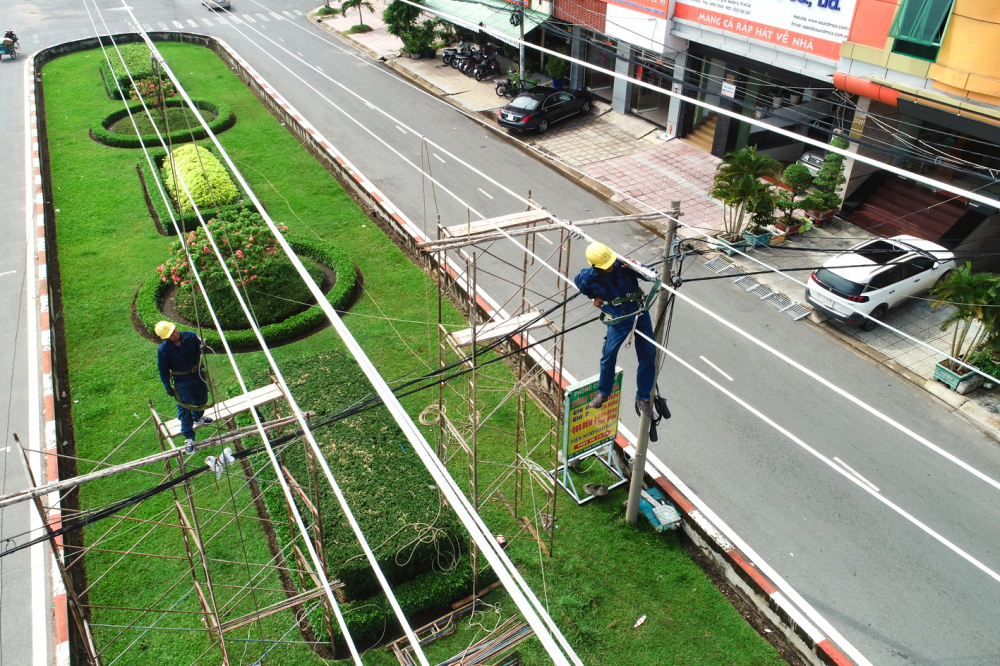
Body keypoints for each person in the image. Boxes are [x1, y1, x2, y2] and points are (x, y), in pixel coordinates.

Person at [574, 242, 657, 419]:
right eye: (606, 266)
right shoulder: (588, 277)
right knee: (609, 353)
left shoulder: (623, 264)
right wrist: (594, 297)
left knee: (649, 353)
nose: (611, 267)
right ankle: (604, 392)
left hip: (638, 312)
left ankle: (643, 396)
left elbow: (652, 276)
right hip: (618, 317)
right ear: (596, 266)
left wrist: (637, 266)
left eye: (611, 262)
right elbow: (581, 285)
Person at [155, 321, 213, 454]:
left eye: (175, 330)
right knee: (185, 407)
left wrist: (203, 347)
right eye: (171, 334)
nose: (175, 334)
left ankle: (198, 416)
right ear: (165, 337)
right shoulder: (164, 350)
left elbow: (200, 348)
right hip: (183, 381)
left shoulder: (190, 336)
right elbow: (163, 369)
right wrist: (167, 386)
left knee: (202, 398)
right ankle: (189, 437)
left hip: (198, 374)